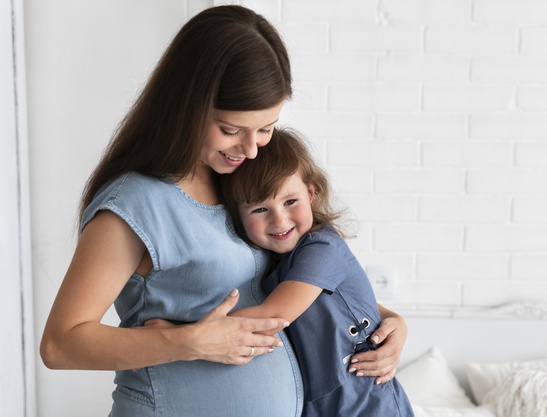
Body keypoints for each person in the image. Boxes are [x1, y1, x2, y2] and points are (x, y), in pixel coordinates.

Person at [39, 5, 408, 417]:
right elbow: (60, 344)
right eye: (231, 131)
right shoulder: (136, 204)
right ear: (187, 106)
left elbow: (300, 280)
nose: (250, 149)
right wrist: (186, 341)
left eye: (265, 129)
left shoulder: (244, 183)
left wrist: (389, 323)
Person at [220, 127, 414, 417]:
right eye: (260, 209)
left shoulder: (322, 248)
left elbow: (273, 316)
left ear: (311, 194)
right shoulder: (273, 267)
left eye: (290, 202)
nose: (279, 219)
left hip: (369, 405)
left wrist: (183, 332)